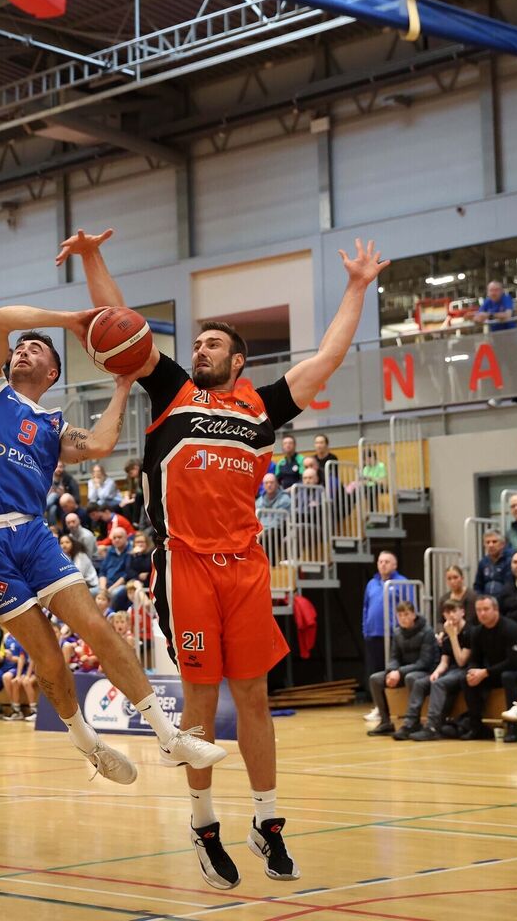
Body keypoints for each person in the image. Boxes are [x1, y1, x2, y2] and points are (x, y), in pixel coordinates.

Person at [131, 239, 390, 889]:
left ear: (237, 360)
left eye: (212, 345)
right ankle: (203, 824)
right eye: (197, 345)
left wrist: (358, 285)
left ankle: (267, 823)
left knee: (252, 695)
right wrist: (96, 264)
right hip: (187, 566)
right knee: (200, 697)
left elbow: (328, 357)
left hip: (245, 566)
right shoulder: (172, 392)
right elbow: (119, 327)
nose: (200, 351)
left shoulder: (261, 407)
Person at [0, 228, 225, 782]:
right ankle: (87, 743)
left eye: (36, 349)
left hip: (32, 534)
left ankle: (169, 736)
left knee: (99, 628)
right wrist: (71, 320)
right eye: (21, 348)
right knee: (48, 655)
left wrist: (125, 384)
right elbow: (1, 319)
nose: (23, 349)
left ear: (53, 374)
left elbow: (101, 445)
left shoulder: (53, 426)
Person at [461, 595, 517, 742]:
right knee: (466, 678)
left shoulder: (511, 628)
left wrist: (485, 672)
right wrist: (473, 671)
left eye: (486, 609)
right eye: (478, 610)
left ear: (496, 610)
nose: (482, 613)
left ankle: (513, 729)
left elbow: (513, 663)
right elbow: (475, 659)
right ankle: (476, 727)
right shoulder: (477, 632)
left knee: (508, 676)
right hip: (496, 671)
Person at [365, 602, 438, 739]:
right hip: (403, 671)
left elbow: (424, 662)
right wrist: (392, 670)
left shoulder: (427, 631)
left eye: (406, 614)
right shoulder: (397, 632)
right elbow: (393, 658)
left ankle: (413, 722)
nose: (403, 618)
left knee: (411, 677)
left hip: (425, 671)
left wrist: (399, 672)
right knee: (375, 679)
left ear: (413, 615)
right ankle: (385, 722)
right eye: (400, 615)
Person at [409, 599, 475, 742]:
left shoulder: (469, 631)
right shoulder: (446, 634)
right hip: (450, 669)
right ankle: (411, 723)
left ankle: (432, 727)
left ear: (462, 612)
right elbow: (444, 661)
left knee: (439, 684)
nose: (451, 615)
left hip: (466, 670)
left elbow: (461, 661)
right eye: (447, 612)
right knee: (421, 683)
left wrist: (452, 636)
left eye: (454, 611)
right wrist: (436, 672)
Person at [361, 551, 413, 703]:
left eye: (387, 562)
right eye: (380, 561)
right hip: (373, 634)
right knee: (374, 671)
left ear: (394, 565)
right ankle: (379, 706)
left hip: (393, 634)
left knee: (391, 670)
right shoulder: (371, 583)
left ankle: (395, 704)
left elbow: (409, 606)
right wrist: (365, 629)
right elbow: (365, 607)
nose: (383, 564)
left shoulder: (401, 582)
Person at [474, 532, 513, 599]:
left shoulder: (509, 561)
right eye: (487, 542)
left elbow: (509, 585)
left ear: (502, 544)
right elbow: (478, 585)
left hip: (504, 600)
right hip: (486, 601)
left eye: (494, 542)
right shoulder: (483, 562)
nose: (491, 545)